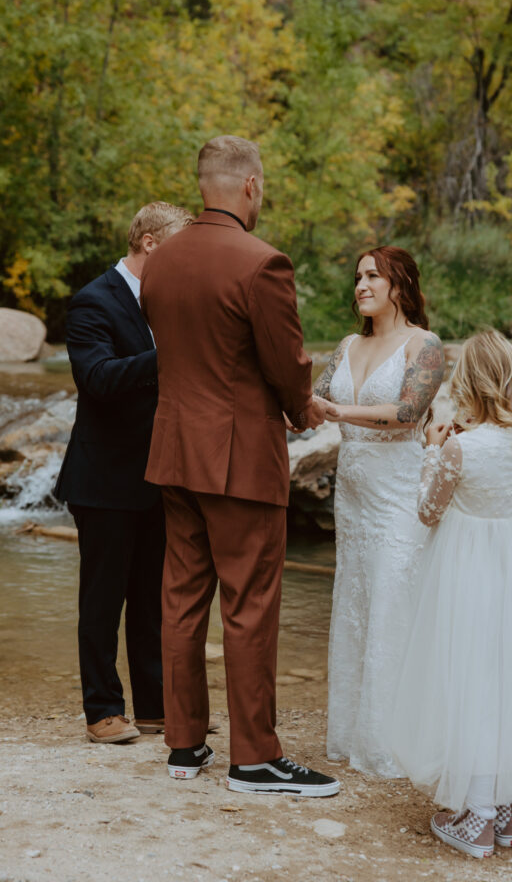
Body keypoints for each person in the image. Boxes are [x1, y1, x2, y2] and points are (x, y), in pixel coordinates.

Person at [140, 134, 339, 796]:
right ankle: (254, 757)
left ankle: (184, 742)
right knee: (250, 604)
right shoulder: (263, 263)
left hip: (172, 452)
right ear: (250, 185)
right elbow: (286, 363)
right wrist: (300, 408)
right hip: (239, 460)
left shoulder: (159, 262)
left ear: (203, 184)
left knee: (181, 599)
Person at [391, 330, 512, 859]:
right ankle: (506, 811)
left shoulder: (459, 446)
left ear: (469, 382)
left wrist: (432, 451)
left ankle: (475, 817)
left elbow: (428, 513)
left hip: (470, 567)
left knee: (471, 675)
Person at [55, 202, 194, 743]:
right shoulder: (93, 300)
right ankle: (103, 711)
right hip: (104, 477)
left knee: (154, 600)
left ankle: (156, 707)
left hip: (163, 474)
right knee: (102, 599)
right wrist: (169, 355)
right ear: (152, 243)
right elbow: (98, 378)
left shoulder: (174, 301)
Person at [315, 246, 445, 777]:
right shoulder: (348, 344)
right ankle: (353, 734)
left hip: (397, 493)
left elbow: (408, 411)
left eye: (372, 276)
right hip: (353, 496)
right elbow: (314, 399)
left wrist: (339, 411)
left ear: (400, 284)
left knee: (394, 600)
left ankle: (396, 740)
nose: (361, 286)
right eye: (358, 277)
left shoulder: (425, 345)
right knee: (356, 600)